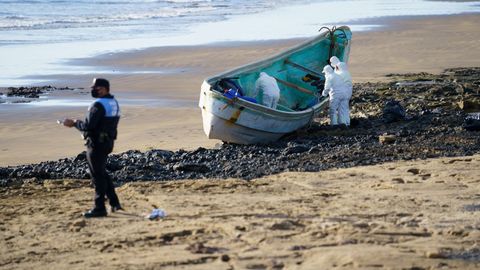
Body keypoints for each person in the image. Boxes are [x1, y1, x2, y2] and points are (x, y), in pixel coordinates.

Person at [62, 78, 122, 218]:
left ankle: (99, 207)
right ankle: (114, 202)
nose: (93, 90)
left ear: (104, 89)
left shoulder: (98, 105)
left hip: (96, 144)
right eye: (93, 88)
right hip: (108, 142)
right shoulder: (113, 102)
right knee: (101, 172)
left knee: (97, 176)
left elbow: (89, 126)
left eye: (96, 88)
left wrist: (74, 123)